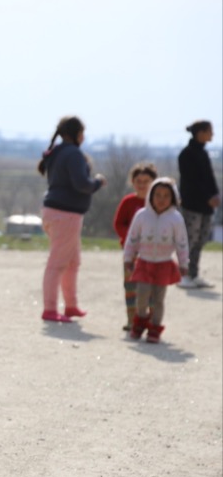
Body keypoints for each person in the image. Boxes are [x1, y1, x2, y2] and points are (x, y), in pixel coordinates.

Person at [37, 116, 107, 322]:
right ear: (76, 134)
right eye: (82, 133)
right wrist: (97, 183)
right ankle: (50, 309)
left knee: (72, 262)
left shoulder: (57, 152)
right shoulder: (74, 154)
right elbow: (82, 184)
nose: (83, 137)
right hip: (65, 214)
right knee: (57, 263)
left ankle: (71, 305)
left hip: (55, 212)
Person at [123, 177, 189, 344]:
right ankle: (139, 323)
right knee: (142, 297)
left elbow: (182, 243)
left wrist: (183, 263)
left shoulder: (176, 219)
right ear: (150, 196)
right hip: (144, 262)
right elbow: (132, 238)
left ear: (173, 198)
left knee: (158, 300)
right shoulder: (142, 216)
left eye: (166, 195)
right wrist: (128, 258)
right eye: (157, 194)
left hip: (163, 264)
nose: (161, 199)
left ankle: (154, 328)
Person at [113, 162, 158, 330]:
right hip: (131, 254)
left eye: (146, 181)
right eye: (139, 181)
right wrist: (132, 238)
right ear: (133, 182)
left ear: (154, 182)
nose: (142, 185)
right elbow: (119, 224)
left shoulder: (158, 203)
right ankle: (133, 320)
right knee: (131, 287)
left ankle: (153, 320)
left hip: (154, 253)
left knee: (153, 288)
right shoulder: (128, 202)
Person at [177, 120, 221, 288]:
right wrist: (207, 197)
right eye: (210, 131)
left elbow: (209, 178)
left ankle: (194, 275)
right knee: (189, 240)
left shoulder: (203, 153)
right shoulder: (186, 154)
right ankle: (183, 275)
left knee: (201, 240)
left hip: (206, 206)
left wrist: (215, 195)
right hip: (192, 205)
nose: (212, 135)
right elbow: (192, 182)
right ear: (200, 132)